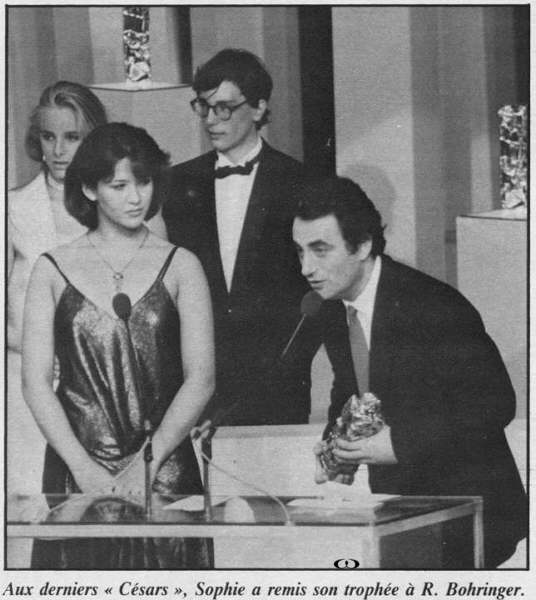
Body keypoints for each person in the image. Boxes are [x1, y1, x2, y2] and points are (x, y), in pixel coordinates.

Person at [292, 176, 527, 569]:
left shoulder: (433, 304)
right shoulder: (333, 306)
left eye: (320, 250)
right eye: (300, 252)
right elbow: (352, 389)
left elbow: (495, 404)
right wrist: (337, 446)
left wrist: (399, 443)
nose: (306, 268)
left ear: (362, 245)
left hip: (473, 512)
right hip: (404, 511)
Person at [22, 122, 214, 569]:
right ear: (90, 188)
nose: (136, 198)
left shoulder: (182, 265)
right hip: (78, 472)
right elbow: (34, 382)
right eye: (119, 185)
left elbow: (202, 379)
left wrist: (147, 462)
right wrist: (83, 469)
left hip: (165, 471)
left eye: (144, 182)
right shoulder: (51, 269)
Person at [8, 81, 167, 499]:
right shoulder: (13, 209)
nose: (59, 150)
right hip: (25, 397)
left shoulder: (132, 207)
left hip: (113, 394)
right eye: (48, 137)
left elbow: (158, 311)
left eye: (72, 137)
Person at [163, 48, 319, 426]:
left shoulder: (301, 182)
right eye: (203, 107)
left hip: (278, 383)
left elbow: (314, 292)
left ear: (259, 108)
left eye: (224, 108)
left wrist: (291, 363)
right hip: (197, 380)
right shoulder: (176, 183)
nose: (210, 120)